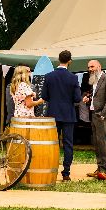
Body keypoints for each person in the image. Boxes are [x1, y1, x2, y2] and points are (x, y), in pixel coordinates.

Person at [43, 50, 83, 182]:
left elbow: (44, 96)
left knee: (52, 144)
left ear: (58, 60)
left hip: (53, 114)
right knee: (68, 144)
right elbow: (77, 98)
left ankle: (50, 169)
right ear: (69, 61)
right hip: (68, 115)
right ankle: (66, 173)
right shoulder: (73, 78)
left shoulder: (49, 76)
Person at [84, 60, 106, 181]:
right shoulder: (94, 79)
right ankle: (99, 168)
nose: (90, 69)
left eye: (92, 66)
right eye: (89, 67)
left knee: (102, 142)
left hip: (102, 116)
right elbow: (98, 95)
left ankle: (104, 170)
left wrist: (103, 115)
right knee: (97, 142)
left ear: (99, 66)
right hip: (94, 114)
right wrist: (89, 97)